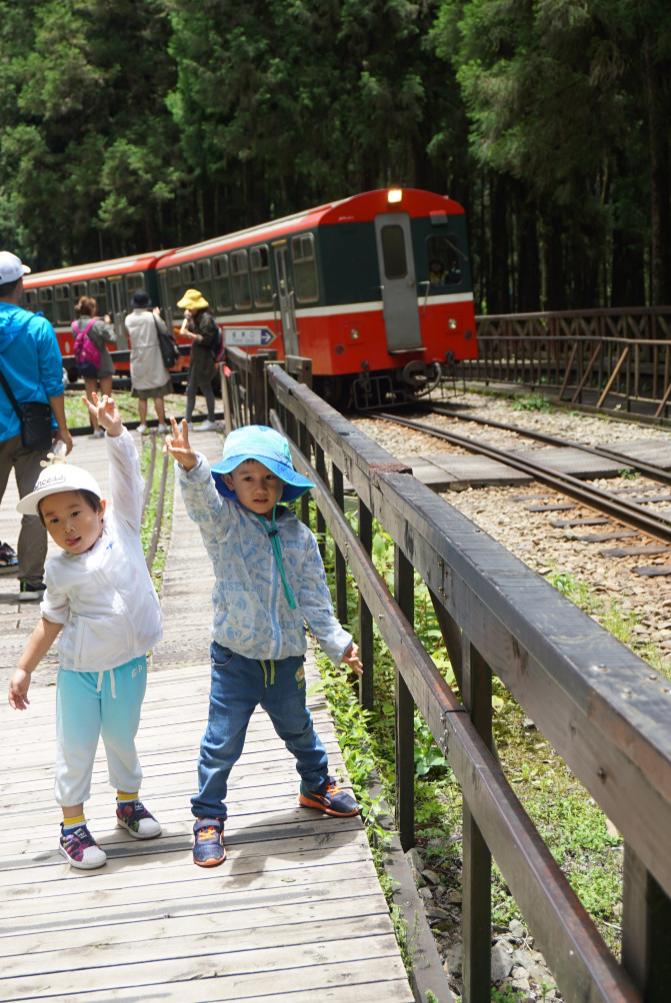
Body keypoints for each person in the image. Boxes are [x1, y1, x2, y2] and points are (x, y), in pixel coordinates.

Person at [165, 421, 363, 868]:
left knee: (298, 727)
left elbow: (315, 597)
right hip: (235, 657)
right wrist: (193, 467)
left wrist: (337, 643)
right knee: (222, 739)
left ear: (283, 484)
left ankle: (316, 785)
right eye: (248, 478)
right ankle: (208, 817)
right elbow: (202, 506)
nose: (259, 488)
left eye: (269, 478)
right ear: (231, 482)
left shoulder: (298, 537)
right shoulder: (226, 526)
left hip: (286, 656)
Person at [8, 393, 163, 869]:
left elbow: (127, 477)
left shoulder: (124, 527)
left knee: (122, 738)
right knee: (75, 748)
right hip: (79, 675)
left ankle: (127, 803)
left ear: (99, 508)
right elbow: (50, 621)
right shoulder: (60, 569)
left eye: (75, 512)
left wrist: (114, 432)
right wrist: (23, 669)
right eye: (53, 520)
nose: (66, 526)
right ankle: (71, 825)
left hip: (129, 666)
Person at [0, 250, 73, 602]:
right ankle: (31, 580)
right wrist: (63, 427)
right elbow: (52, 384)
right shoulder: (37, 327)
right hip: (32, 431)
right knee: (33, 504)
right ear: (20, 285)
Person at [125, 289, 171, 434]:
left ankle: (143, 424)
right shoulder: (152, 317)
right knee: (158, 394)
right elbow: (164, 329)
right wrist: (157, 315)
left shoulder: (128, 319)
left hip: (138, 358)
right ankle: (162, 424)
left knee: (142, 396)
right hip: (154, 357)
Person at [72, 295, 116, 438]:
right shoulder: (98, 324)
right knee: (106, 397)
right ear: (91, 309)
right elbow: (113, 338)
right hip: (102, 363)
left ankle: (96, 429)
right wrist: (108, 323)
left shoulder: (74, 326)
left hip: (87, 364)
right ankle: (109, 427)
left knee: (91, 398)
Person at [177, 288, 218, 432]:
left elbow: (206, 339)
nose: (187, 309)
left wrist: (189, 334)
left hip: (204, 359)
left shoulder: (206, 319)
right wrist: (188, 320)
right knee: (192, 389)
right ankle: (187, 421)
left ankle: (211, 419)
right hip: (197, 359)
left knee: (204, 388)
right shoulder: (197, 318)